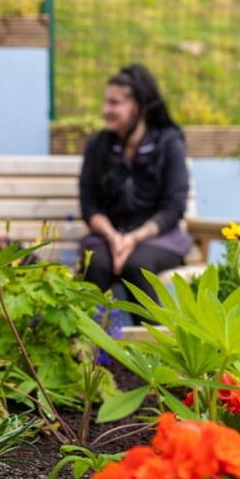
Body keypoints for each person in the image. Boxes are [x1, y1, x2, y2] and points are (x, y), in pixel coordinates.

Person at [78, 64, 192, 304]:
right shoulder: (98, 145)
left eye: (114, 103)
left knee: (136, 265)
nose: (105, 110)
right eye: (106, 102)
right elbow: (89, 205)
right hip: (108, 236)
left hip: (158, 238)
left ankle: (155, 338)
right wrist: (113, 237)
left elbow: (173, 207)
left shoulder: (168, 144)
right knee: (95, 263)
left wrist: (133, 239)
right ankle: (89, 340)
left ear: (138, 107)